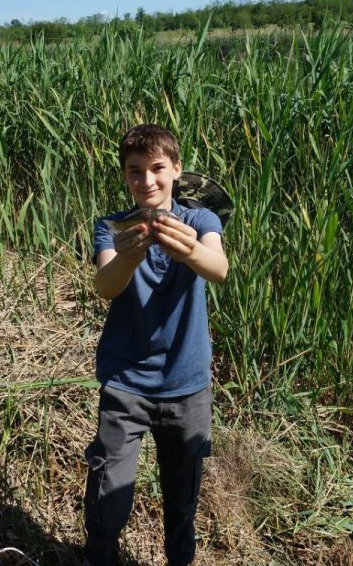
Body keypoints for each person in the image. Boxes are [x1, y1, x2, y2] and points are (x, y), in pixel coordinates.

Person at [84, 124, 229, 566]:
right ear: (125, 177)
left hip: (186, 384)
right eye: (134, 171)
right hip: (126, 381)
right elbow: (105, 286)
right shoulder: (112, 226)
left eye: (157, 169)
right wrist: (129, 254)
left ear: (176, 170)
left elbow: (218, 267)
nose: (146, 180)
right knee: (108, 496)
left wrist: (187, 251)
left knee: (183, 500)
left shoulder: (200, 220)